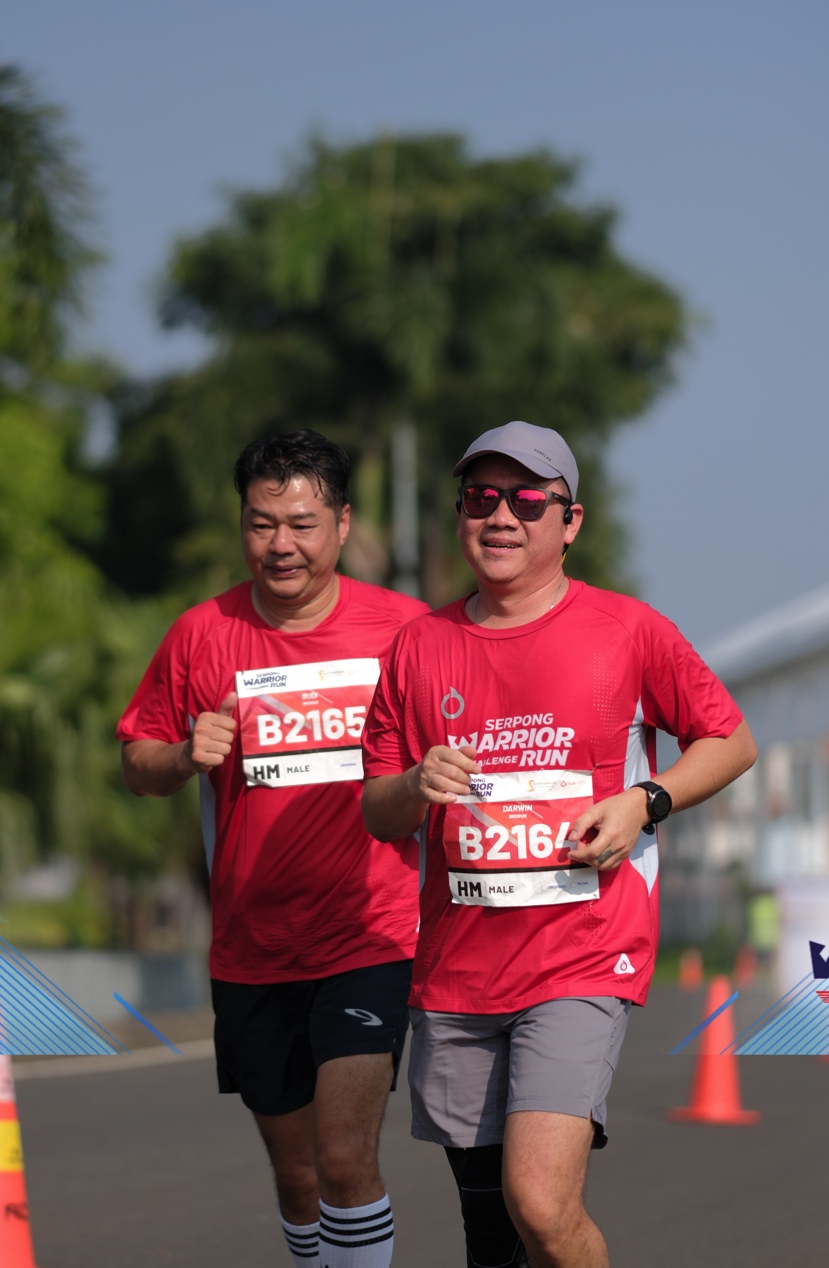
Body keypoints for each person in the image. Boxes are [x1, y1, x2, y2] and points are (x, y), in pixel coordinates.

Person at [360, 421, 757, 1268]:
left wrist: (644, 801)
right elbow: (377, 812)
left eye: (526, 501)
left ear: (569, 522)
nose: (500, 516)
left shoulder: (627, 630)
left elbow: (729, 740)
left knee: (539, 1204)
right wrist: (415, 783)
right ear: (460, 516)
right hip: (457, 971)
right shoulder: (418, 646)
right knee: (490, 1233)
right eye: (479, 499)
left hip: (581, 953)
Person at [118, 430, 429, 1268]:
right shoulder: (202, 634)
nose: (280, 545)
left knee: (343, 1157)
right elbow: (137, 762)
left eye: (300, 524)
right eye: (261, 524)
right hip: (252, 949)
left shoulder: (405, 630)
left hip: (371, 935)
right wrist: (184, 756)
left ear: (342, 523)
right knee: (297, 1179)